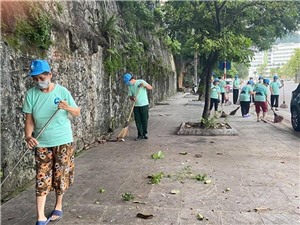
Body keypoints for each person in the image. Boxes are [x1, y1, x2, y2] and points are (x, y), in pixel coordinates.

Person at [23, 60, 80, 225]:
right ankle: (40, 216)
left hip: (63, 141)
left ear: (50, 75)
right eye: (35, 78)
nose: (38, 81)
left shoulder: (62, 91)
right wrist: (28, 136)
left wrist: (67, 107)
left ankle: (58, 205)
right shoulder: (31, 94)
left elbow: (77, 112)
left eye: (41, 77)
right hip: (41, 142)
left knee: (60, 175)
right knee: (42, 176)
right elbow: (29, 119)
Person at [123, 73, 153, 141]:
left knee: (144, 119)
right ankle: (140, 134)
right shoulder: (130, 87)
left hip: (144, 104)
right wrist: (133, 98)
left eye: (128, 82)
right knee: (138, 120)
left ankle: (144, 134)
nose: (128, 84)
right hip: (136, 105)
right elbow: (130, 96)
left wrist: (144, 85)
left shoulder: (141, 81)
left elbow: (150, 87)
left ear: (131, 79)